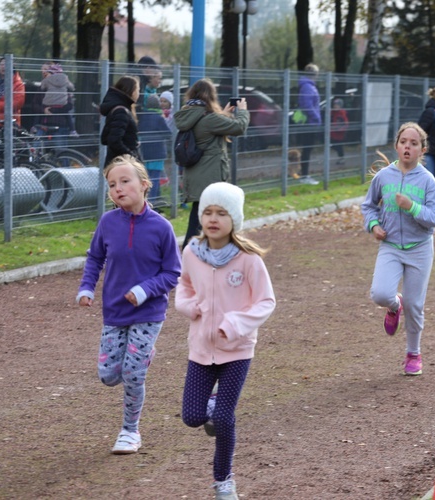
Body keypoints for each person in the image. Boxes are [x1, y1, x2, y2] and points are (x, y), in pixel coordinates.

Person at [175, 182, 276, 499]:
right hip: (201, 350)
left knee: (222, 418)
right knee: (192, 417)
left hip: (237, 351)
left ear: (235, 219)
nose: (213, 218)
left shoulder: (248, 259)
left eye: (221, 213)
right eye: (207, 212)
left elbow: (266, 302)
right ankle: (212, 403)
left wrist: (234, 324)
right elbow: (184, 287)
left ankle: (223, 481)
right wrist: (190, 307)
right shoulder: (191, 252)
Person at [76, 154, 181, 455]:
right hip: (114, 311)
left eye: (125, 181)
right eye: (112, 184)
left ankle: (129, 432)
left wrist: (145, 290)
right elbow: (95, 257)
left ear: (145, 185)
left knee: (133, 374)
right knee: (109, 376)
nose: (118, 188)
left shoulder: (161, 227)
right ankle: (142, 357)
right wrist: (86, 287)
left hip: (148, 313)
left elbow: (173, 272)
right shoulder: (108, 222)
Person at [361, 122, 435, 376]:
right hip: (390, 246)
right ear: (397, 146)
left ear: (423, 149)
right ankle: (394, 305)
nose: (407, 146)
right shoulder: (383, 177)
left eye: (414, 143)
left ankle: (413, 353)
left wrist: (412, 207)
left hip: (419, 248)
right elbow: (368, 206)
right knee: (379, 294)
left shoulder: (428, 181)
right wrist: (374, 225)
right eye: (403, 142)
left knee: (415, 304)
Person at [173, 78, 250, 249]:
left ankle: (193, 254)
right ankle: (188, 257)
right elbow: (239, 127)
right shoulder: (209, 119)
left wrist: (222, 114)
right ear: (210, 96)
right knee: (200, 222)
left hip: (195, 174)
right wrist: (243, 111)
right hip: (209, 177)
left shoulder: (189, 114)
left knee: (199, 217)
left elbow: (208, 130)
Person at [138, 94, 173, 205]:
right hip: (158, 153)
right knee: (155, 179)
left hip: (145, 152)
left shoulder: (142, 117)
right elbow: (168, 134)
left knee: (146, 179)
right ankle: (152, 204)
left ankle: (150, 202)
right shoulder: (159, 118)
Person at [100, 75, 141, 166]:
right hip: (123, 165)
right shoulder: (121, 112)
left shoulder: (122, 109)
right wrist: (131, 156)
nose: (139, 93)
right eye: (138, 90)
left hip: (121, 163)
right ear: (131, 91)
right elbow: (114, 140)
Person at [39, 62, 76, 157]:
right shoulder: (66, 83)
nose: (44, 72)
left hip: (54, 123)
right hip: (47, 124)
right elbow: (68, 105)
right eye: (42, 69)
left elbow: (69, 105)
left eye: (46, 70)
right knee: (61, 152)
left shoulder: (45, 84)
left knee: (60, 151)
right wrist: (45, 110)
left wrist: (49, 110)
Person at [296, 63, 322, 185]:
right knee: (307, 149)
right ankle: (304, 175)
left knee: (307, 149)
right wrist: (316, 117)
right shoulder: (307, 87)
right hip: (309, 123)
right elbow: (307, 105)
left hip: (311, 122)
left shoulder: (308, 86)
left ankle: (304, 174)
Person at [330, 97, 348, 165]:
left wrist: (340, 129)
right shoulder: (332, 112)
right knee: (333, 145)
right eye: (334, 104)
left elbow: (345, 123)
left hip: (339, 133)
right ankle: (341, 157)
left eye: (337, 105)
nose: (335, 106)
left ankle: (341, 158)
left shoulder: (342, 113)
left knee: (339, 146)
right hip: (333, 133)